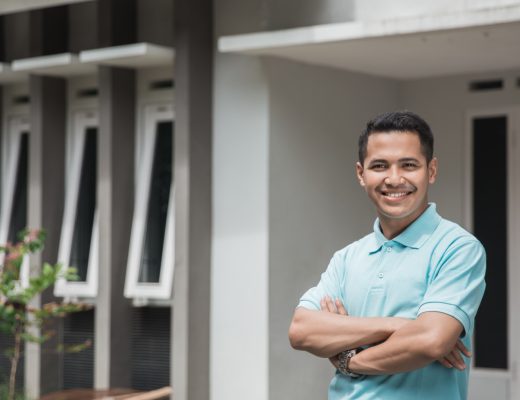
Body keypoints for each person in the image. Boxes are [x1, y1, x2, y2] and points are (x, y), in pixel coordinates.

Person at [288, 111, 486, 400]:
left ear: (431, 170)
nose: (394, 179)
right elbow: (301, 330)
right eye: (379, 165)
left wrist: (348, 359)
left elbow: (429, 342)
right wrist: (398, 325)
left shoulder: (457, 248)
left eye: (409, 165)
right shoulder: (347, 258)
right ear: (361, 173)